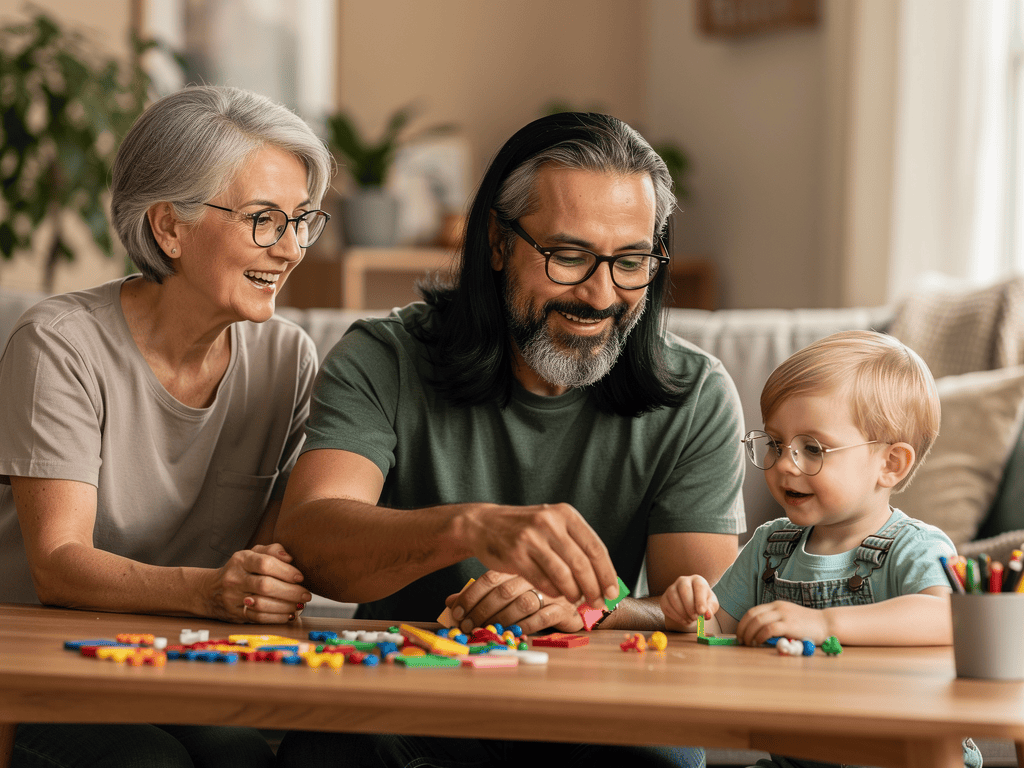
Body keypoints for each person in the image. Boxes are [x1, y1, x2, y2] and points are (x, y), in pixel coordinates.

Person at [274, 112, 746, 767]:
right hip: (409, 695)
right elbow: (312, 539)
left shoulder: (696, 392)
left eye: (631, 261)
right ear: (497, 243)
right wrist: (470, 528)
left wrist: (584, 612)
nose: (601, 294)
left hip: (601, 700)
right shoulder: (383, 358)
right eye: (569, 255)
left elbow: (699, 610)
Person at [0, 85, 332, 767]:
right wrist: (211, 590)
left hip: (180, 668)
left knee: (245, 756)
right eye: (265, 219)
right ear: (168, 227)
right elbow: (58, 567)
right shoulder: (60, 343)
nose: (292, 248)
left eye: (302, 219)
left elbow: (273, 556)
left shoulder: (286, 359)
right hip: (39, 672)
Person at [659, 330, 982, 768]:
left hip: (909, 756)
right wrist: (691, 612)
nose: (785, 465)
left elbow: (948, 617)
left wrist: (824, 621)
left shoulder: (915, 548)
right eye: (775, 444)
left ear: (890, 464)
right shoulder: (770, 548)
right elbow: (717, 628)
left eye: (812, 448)